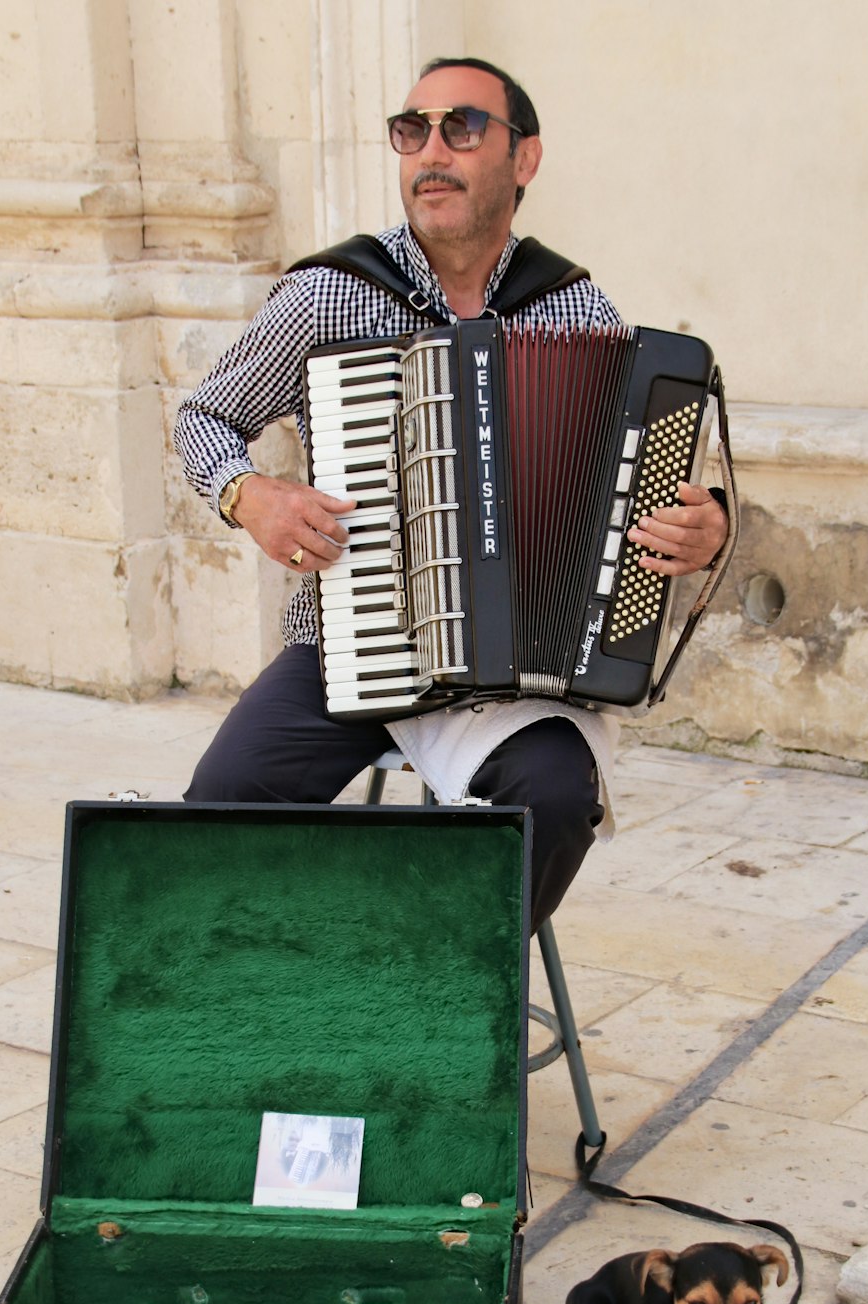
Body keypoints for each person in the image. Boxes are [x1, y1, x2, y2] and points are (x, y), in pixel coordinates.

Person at [174, 56, 728, 930]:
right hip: (349, 650)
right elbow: (202, 418)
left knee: (553, 796)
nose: (431, 150)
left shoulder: (576, 312)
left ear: (525, 159)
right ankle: (264, 1003)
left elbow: (666, 493)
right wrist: (249, 496)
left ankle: (442, 1005)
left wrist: (705, 525)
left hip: (516, 678)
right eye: (412, 130)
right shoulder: (331, 295)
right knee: (218, 806)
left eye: (461, 128)